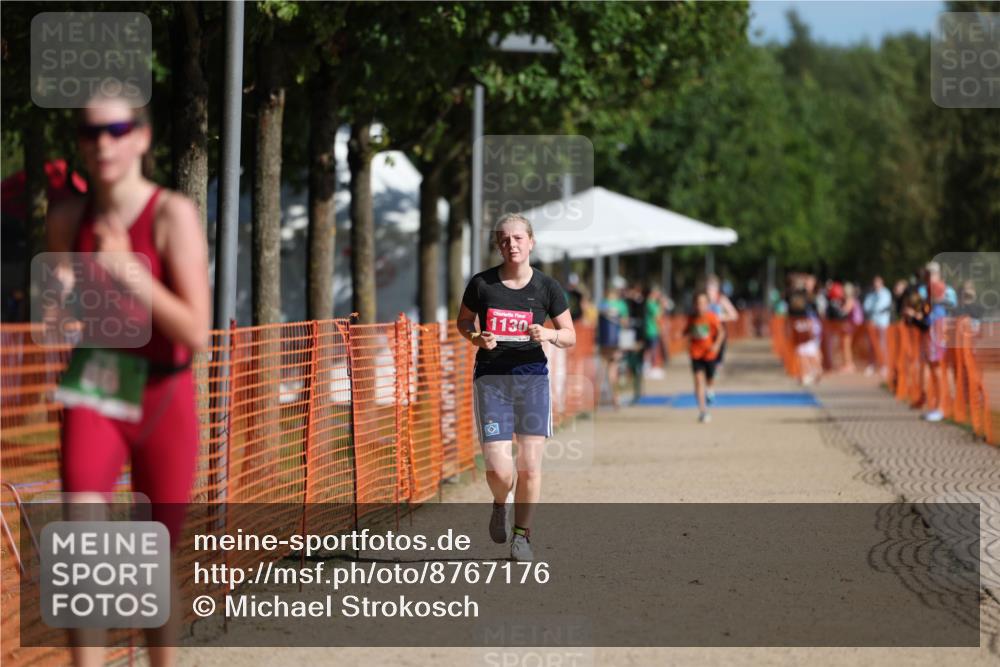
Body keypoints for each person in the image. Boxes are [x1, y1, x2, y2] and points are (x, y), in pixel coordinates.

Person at [46, 94, 209, 666]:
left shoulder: (171, 215)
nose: (103, 143)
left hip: (166, 388)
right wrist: (60, 300)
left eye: (117, 129)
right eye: (91, 133)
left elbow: (197, 330)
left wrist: (128, 274)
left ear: (142, 137)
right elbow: (60, 304)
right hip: (101, 375)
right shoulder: (66, 217)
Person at [456, 213, 575, 562]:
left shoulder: (547, 288)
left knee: (530, 466)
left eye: (519, 238)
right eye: (505, 240)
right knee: (498, 469)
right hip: (491, 380)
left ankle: (522, 536)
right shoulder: (482, 284)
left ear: (531, 242)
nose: (512, 245)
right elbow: (462, 321)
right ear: (498, 245)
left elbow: (569, 335)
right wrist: (477, 337)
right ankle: (499, 501)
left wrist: (549, 334)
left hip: (532, 378)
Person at [685, 292, 726, 424]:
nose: (700, 306)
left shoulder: (711, 317)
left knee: (710, 379)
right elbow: (687, 331)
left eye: (703, 303)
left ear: (707, 305)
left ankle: (710, 390)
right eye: (698, 303)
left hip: (709, 354)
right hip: (695, 354)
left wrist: (716, 345)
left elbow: (721, 332)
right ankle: (703, 411)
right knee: (698, 380)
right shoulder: (691, 318)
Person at [705, 275, 737, 404]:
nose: (709, 291)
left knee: (716, 364)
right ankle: (709, 390)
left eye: (712, 288)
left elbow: (734, 315)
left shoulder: (721, 300)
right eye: (708, 288)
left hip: (719, 335)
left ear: (717, 289)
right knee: (708, 363)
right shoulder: (704, 301)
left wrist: (720, 317)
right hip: (707, 337)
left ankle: (710, 387)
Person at [597, 281, 629, 409]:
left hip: (603, 342)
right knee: (613, 370)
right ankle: (615, 399)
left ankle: (596, 399)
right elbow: (625, 322)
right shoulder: (621, 305)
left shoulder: (602, 304)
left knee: (601, 369)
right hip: (615, 341)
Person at [863, 275, 892, 377]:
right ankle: (872, 364)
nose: (876, 285)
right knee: (872, 344)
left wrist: (874, 309)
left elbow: (881, 307)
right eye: (875, 282)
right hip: (873, 323)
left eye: (878, 282)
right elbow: (866, 306)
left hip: (882, 323)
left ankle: (884, 365)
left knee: (882, 344)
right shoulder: (871, 294)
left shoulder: (885, 293)